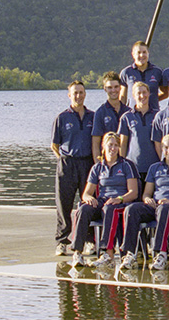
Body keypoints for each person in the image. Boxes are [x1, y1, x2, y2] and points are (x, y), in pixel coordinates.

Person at [118, 134, 169, 271]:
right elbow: (147, 193)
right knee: (132, 209)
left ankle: (161, 254)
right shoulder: (154, 167)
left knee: (164, 208)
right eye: (166, 147)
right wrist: (147, 199)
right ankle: (129, 253)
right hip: (157, 205)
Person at [70, 133, 138, 267]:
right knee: (83, 209)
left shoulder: (126, 165)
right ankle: (77, 252)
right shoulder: (97, 167)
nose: (113, 148)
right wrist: (89, 198)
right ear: (103, 146)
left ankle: (107, 253)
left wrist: (119, 199)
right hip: (102, 200)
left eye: (115, 145)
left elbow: (133, 192)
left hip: (120, 202)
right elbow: (86, 193)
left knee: (109, 208)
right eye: (110, 145)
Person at [51, 81, 95, 256]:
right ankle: (62, 241)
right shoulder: (62, 118)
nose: (78, 95)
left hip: (87, 163)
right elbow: (54, 145)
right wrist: (63, 159)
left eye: (81, 92)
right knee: (64, 203)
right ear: (69, 95)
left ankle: (89, 240)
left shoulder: (93, 116)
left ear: (85, 94)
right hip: (67, 163)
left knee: (89, 202)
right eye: (75, 93)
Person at [118, 82, 160, 181]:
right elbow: (123, 144)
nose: (142, 96)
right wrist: (121, 165)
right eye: (138, 93)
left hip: (154, 166)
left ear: (149, 93)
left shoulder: (158, 115)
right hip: (133, 167)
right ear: (133, 96)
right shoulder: (127, 117)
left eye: (144, 92)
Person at [91, 71, 131, 163]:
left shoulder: (128, 111)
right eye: (110, 87)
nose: (113, 90)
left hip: (127, 160)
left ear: (120, 87)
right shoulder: (100, 112)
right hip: (108, 161)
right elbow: (95, 143)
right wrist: (99, 166)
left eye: (116, 87)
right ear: (105, 89)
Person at [119, 40, 167, 110]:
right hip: (133, 115)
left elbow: (165, 93)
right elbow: (123, 97)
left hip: (153, 114)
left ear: (148, 53)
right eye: (138, 53)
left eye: (144, 52)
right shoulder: (126, 72)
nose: (142, 55)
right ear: (133, 54)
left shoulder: (157, 71)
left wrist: (147, 100)